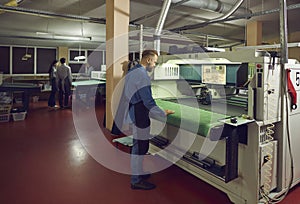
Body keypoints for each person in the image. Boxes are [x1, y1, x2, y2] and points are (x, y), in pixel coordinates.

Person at [124, 50, 174, 190]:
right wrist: (162, 112)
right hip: (139, 113)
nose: (155, 65)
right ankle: (136, 180)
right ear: (148, 60)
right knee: (140, 147)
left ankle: (138, 173)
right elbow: (148, 102)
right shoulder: (142, 75)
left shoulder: (132, 71)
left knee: (139, 145)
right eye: (155, 62)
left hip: (134, 110)